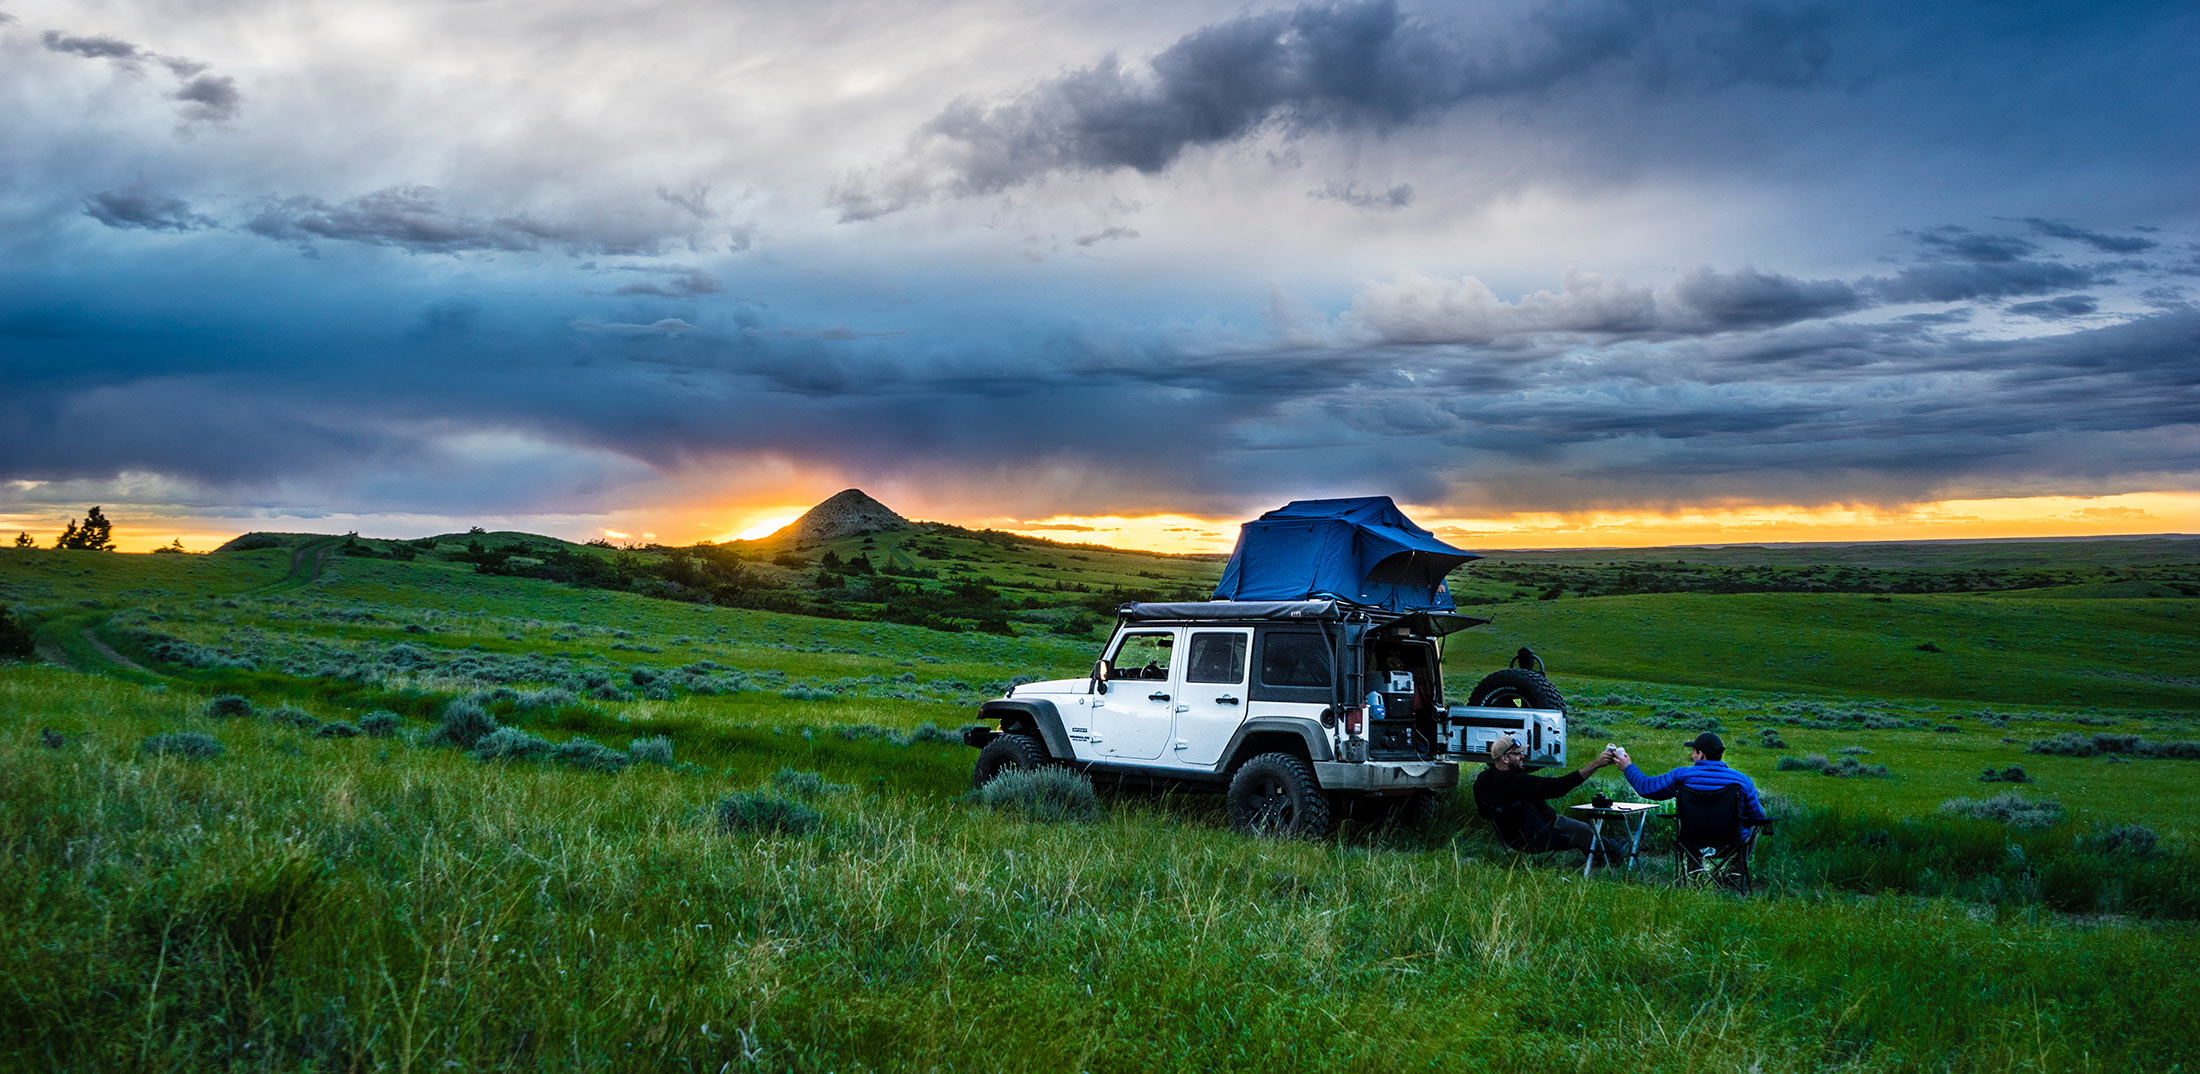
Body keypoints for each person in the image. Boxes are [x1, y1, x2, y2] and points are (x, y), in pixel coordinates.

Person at [1472, 733, 1623, 859]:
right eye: (1518, 754)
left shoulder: (1482, 781)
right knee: (1585, 831)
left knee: (1584, 831)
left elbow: (1484, 813)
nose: (1523, 756)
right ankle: (1616, 856)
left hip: (1512, 840)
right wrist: (1595, 764)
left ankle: (1614, 847)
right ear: (1505, 759)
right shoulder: (1519, 782)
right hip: (1540, 835)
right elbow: (1560, 787)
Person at [1608, 732, 1765, 839]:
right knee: (1750, 834)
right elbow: (1757, 817)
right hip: (1732, 839)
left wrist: (1628, 767)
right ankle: (1733, 875)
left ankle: (1694, 878)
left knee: (1693, 837)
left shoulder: (1681, 776)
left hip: (1692, 838)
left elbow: (1646, 787)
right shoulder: (1742, 781)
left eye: (1693, 752)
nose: (1692, 755)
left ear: (1701, 754)